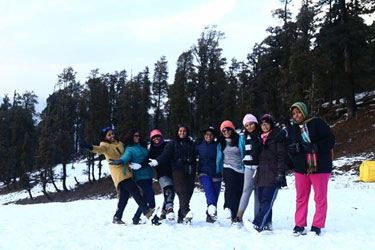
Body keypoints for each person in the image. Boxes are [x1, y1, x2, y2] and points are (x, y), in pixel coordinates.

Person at [81, 126, 157, 225]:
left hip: (127, 173)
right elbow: (99, 149)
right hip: (120, 175)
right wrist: (89, 147)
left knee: (124, 198)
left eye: (112, 133)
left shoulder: (120, 143)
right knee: (135, 191)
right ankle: (146, 211)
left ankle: (117, 217)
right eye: (109, 135)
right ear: (105, 137)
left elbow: (127, 153)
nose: (112, 136)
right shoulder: (105, 146)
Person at [288, 102, 335, 236]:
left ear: (304, 111)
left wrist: (315, 147)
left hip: (320, 167)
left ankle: (317, 225)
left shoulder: (318, 123)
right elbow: (292, 145)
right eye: (294, 113)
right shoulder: (293, 128)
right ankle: (299, 224)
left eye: (298, 112)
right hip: (301, 167)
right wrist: (292, 149)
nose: (296, 116)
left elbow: (330, 140)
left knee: (320, 198)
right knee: (301, 197)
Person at [110, 129, 160, 225]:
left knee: (145, 196)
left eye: (138, 135)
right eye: (135, 136)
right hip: (139, 175)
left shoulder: (143, 147)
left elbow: (148, 158)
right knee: (150, 192)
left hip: (149, 174)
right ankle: (153, 216)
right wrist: (120, 161)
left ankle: (136, 218)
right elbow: (126, 157)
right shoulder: (129, 149)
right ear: (131, 137)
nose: (137, 137)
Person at [149, 124, 197, 224]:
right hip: (176, 170)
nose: (182, 133)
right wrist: (157, 161)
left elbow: (196, 154)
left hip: (189, 171)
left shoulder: (191, 143)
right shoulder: (172, 143)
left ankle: (180, 214)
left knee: (189, 192)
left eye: (184, 131)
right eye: (180, 131)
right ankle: (184, 211)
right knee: (179, 191)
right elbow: (165, 154)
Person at [252, 114, 287, 232]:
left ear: (271, 124)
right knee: (262, 200)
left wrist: (280, 174)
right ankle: (267, 222)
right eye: (262, 124)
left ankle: (257, 224)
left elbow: (282, 157)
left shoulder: (277, 137)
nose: (264, 126)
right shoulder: (260, 138)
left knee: (267, 199)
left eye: (267, 123)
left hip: (273, 173)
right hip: (261, 174)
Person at [233, 114, 262, 226]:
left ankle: (258, 219)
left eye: (251, 124)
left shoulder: (260, 135)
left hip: (259, 168)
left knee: (258, 193)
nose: (249, 127)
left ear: (255, 123)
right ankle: (239, 216)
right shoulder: (244, 137)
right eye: (247, 125)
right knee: (246, 191)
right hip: (248, 167)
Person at [216, 120, 245, 223]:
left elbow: (244, 152)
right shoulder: (221, 142)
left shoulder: (240, 140)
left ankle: (236, 216)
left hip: (241, 169)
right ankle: (228, 207)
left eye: (228, 129)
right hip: (228, 167)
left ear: (232, 129)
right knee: (230, 187)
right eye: (223, 131)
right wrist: (218, 168)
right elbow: (219, 156)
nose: (226, 132)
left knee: (239, 192)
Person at [195, 126, 221, 223]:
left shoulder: (218, 145)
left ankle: (210, 215)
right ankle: (211, 208)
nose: (209, 137)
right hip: (204, 173)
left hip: (216, 173)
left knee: (215, 194)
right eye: (207, 135)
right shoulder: (199, 145)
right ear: (204, 136)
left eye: (211, 135)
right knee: (209, 190)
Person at [148, 129, 175, 221]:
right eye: (154, 138)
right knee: (168, 189)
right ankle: (170, 209)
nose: (156, 139)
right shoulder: (152, 150)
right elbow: (148, 160)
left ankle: (163, 213)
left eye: (158, 137)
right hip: (162, 173)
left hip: (173, 172)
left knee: (171, 193)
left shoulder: (168, 145)